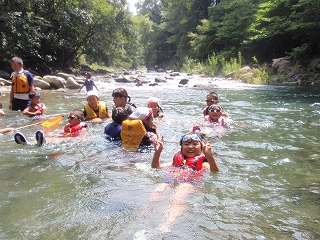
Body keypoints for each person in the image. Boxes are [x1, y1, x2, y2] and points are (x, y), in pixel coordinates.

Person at [145, 128, 219, 231]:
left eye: (195, 144)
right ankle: (145, 219)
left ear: (202, 147)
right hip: (170, 180)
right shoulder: (177, 160)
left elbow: (215, 172)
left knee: (178, 196)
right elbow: (156, 167)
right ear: (181, 147)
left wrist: (210, 157)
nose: (190, 147)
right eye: (187, 144)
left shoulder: (203, 162)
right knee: (158, 191)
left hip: (189, 182)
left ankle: (165, 226)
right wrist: (157, 153)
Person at [14, 110, 87, 146]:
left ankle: (42, 142)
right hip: (64, 137)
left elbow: (85, 135)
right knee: (52, 137)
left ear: (79, 120)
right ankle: (28, 142)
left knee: (55, 139)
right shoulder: (68, 126)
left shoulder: (82, 127)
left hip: (71, 140)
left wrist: (81, 141)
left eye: (71, 118)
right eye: (68, 117)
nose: (69, 119)